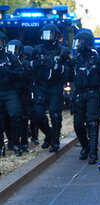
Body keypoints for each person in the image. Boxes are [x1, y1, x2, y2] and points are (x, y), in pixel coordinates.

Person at [66, 31, 100, 164]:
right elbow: (69, 78)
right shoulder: (76, 60)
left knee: (92, 122)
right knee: (78, 124)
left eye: (79, 42)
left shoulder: (98, 60)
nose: (77, 45)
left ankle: (93, 152)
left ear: (86, 42)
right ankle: (85, 146)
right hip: (79, 93)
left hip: (93, 93)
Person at [31, 24, 71, 152]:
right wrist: (34, 64)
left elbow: (70, 71)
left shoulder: (63, 51)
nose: (47, 38)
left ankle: (55, 141)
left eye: (51, 35)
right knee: (37, 113)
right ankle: (48, 134)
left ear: (57, 36)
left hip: (55, 86)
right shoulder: (37, 50)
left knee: (55, 115)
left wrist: (56, 66)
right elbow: (27, 64)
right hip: (41, 85)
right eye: (45, 34)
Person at [0, 31, 25, 156]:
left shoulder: (11, 57)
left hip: (10, 91)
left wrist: (9, 72)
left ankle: (15, 143)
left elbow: (21, 72)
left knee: (16, 116)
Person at [7, 40, 31, 152]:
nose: (13, 52)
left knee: (24, 118)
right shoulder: (8, 62)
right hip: (12, 92)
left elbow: (26, 77)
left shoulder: (23, 63)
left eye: (15, 49)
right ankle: (13, 141)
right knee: (12, 118)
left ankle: (24, 142)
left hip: (23, 92)